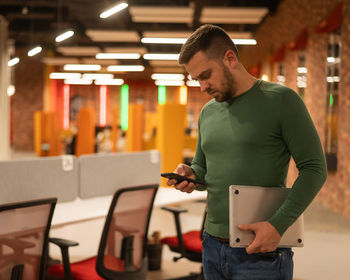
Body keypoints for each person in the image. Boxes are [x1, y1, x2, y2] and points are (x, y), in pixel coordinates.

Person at [166, 24, 327, 280]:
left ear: (230, 58)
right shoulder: (208, 112)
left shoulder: (281, 101)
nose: (203, 86)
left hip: (260, 250)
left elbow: (315, 169)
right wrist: (190, 176)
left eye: (206, 75)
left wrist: (277, 227)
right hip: (211, 245)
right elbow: (202, 170)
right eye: (197, 79)